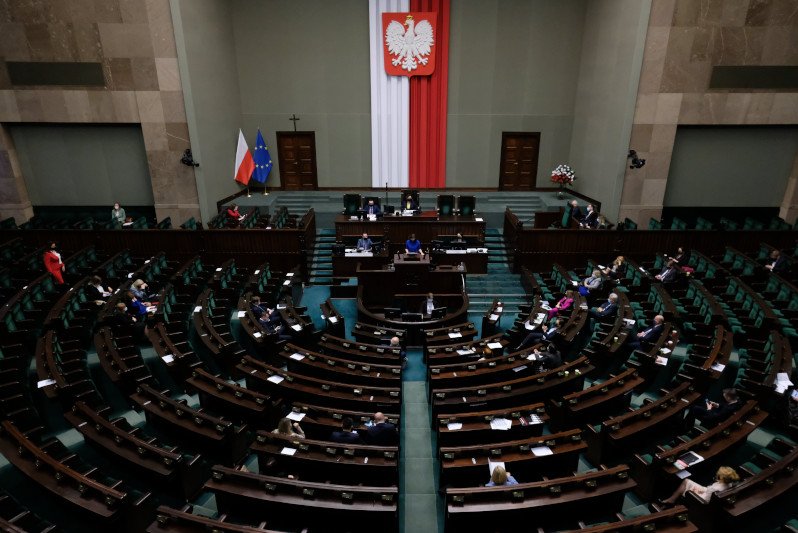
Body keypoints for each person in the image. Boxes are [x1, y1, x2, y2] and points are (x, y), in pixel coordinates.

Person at [660, 466, 740, 506]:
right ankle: (673, 498)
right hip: (706, 491)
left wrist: (696, 492)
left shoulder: (715, 488)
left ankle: (672, 500)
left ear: (722, 478)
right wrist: (703, 490)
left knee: (686, 482)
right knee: (687, 481)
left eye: (718, 475)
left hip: (701, 499)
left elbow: (706, 502)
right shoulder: (730, 483)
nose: (717, 476)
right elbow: (709, 491)